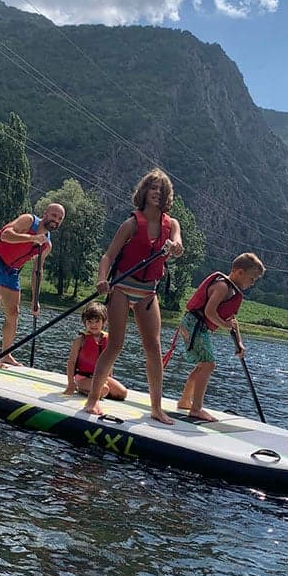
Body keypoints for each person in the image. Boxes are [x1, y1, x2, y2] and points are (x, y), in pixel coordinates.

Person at [83, 168, 183, 424]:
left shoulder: (171, 224)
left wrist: (176, 247)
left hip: (148, 293)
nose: (157, 193)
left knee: (154, 347)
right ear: (144, 192)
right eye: (153, 188)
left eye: (161, 190)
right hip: (122, 289)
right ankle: (93, 400)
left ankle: (156, 408)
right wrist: (102, 279)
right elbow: (108, 256)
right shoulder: (131, 224)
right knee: (115, 344)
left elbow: (177, 244)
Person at [175, 252, 265, 422]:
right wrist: (224, 325)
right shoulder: (222, 287)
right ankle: (196, 409)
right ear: (240, 272)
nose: (252, 283)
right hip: (194, 325)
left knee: (203, 365)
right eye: (252, 279)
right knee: (208, 364)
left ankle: (185, 400)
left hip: (197, 326)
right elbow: (209, 311)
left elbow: (232, 320)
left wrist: (239, 343)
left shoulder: (232, 292)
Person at [0, 203, 65, 365]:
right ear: (45, 214)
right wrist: (32, 238)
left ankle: (6, 353)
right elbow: (5, 235)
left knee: (13, 312)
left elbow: (37, 271)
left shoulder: (47, 245)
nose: (56, 220)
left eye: (60, 219)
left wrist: (35, 299)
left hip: (12, 271)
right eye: (54, 215)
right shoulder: (28, 220)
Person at [64, 302, 127, 400]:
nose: (93, 325)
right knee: (104, 389)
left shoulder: (108, 339)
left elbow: (109, 362)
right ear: (85, 322)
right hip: (83, 377)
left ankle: (94, 390)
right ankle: (81, 388)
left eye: (97, 321)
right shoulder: (80, 340)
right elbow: (71, 362)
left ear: (104, 322)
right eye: (89, 322)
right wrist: (70, 383)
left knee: (122, 393)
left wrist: (109, 378)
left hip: (100, 376)